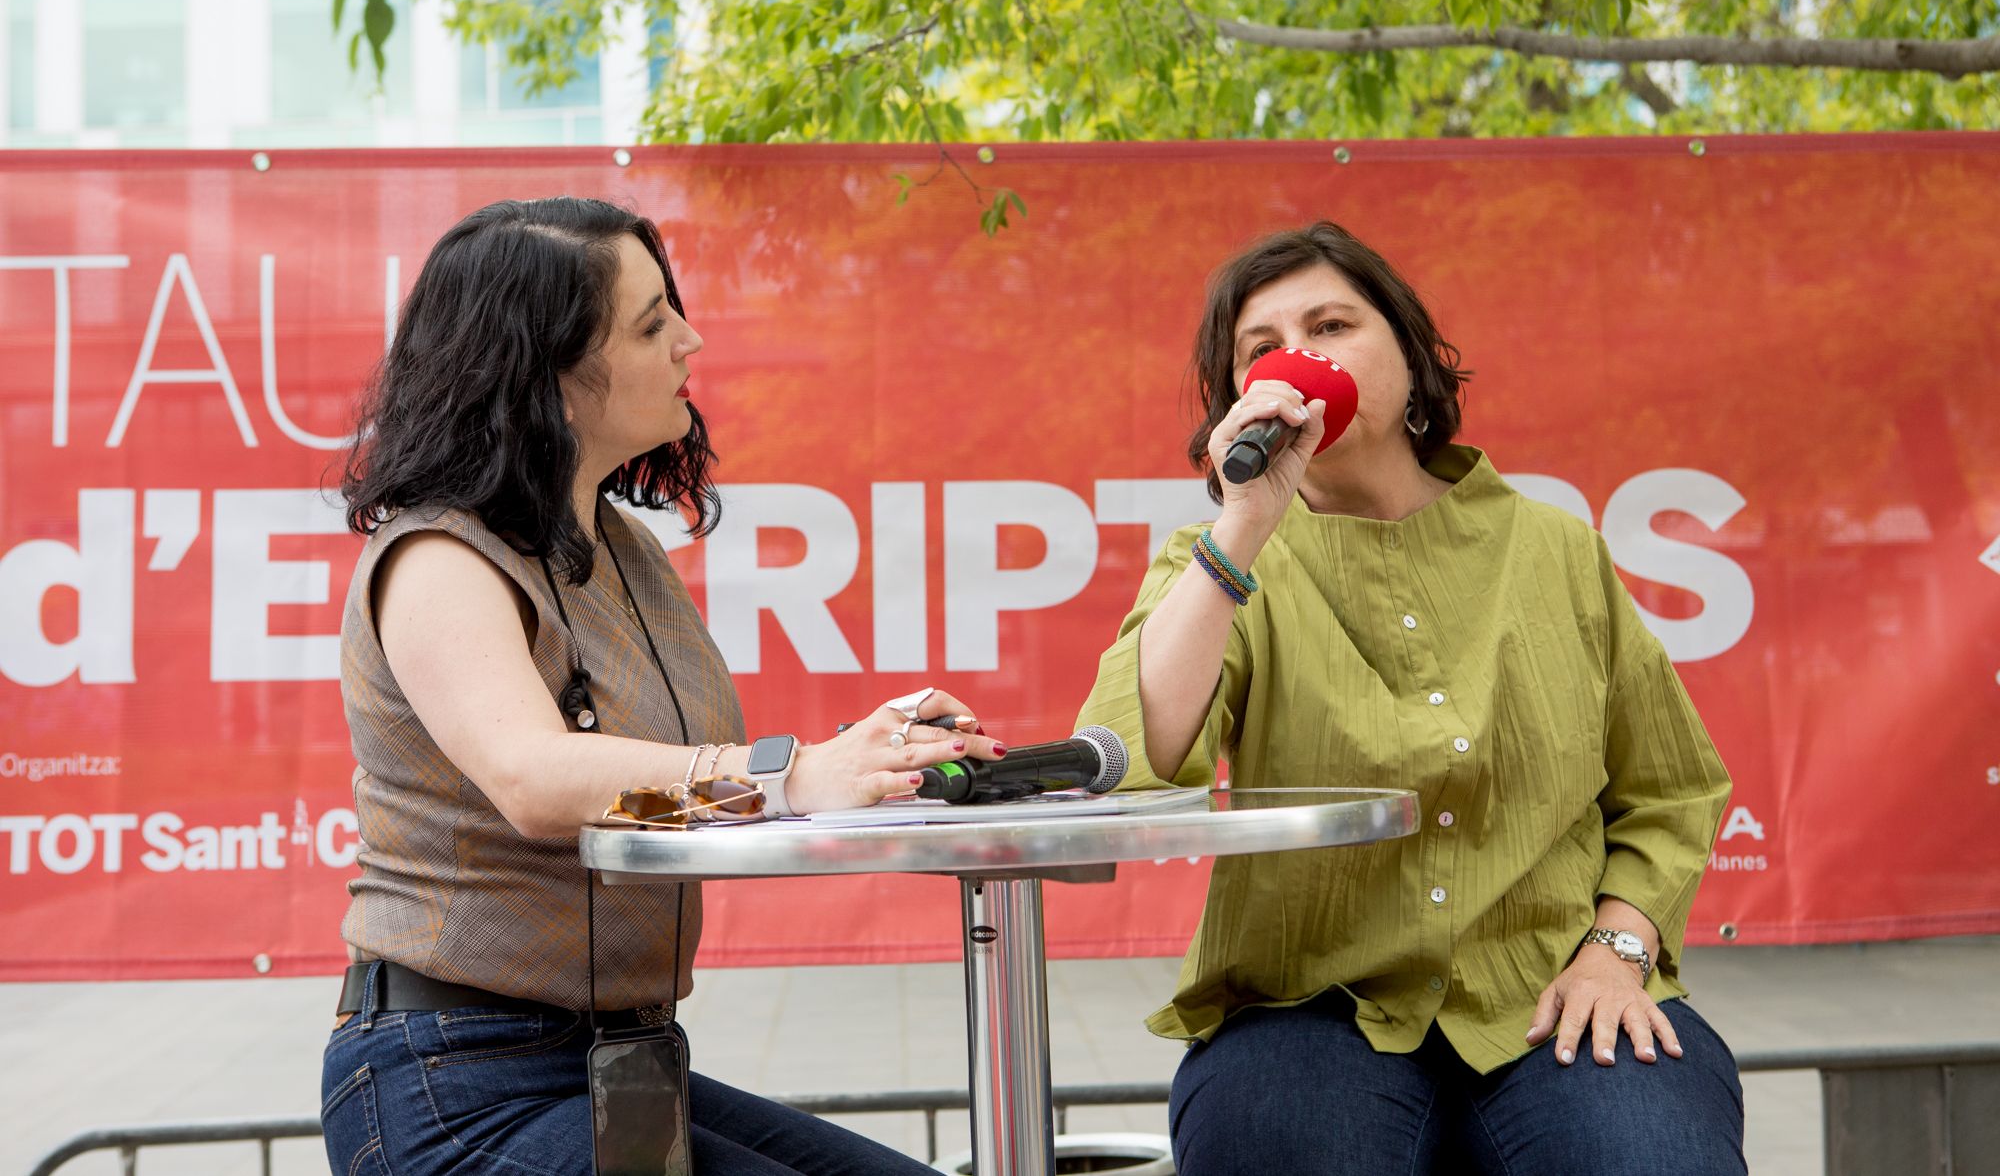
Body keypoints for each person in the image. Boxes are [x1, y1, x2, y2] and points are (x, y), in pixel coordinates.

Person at [320, 196, 1002, 1176]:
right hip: (450, 1088)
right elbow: (536, 779)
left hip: (611, 1059)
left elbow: (654, 790)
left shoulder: (623, 548)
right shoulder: (438, 555)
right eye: (650, 323)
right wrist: (792, 775)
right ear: (546, 379)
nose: (690, 339)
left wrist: (863, 755)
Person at [1075, 221, 1745, 1174]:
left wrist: (1617, 951)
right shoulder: (1218, 560)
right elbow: (1131, 750)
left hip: (1556, 988)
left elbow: (1671, 792)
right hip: (1304, 1011)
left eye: (1331, 324)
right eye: (1259, 348)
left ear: (1412, 355)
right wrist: (1245, 525)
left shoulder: (1555, 548)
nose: (1296, 355)